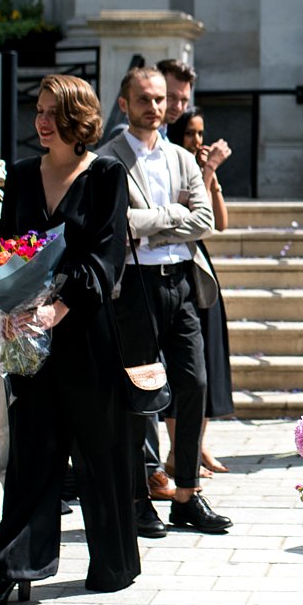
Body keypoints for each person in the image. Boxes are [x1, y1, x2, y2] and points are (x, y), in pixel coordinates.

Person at [0, 75, 141, 605]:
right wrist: (6, 303)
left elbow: (106, 258)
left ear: (77, 119)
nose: (40, 121)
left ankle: (114, 563)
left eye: (51, 112)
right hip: (29, 339)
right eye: (38, 111)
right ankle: (12, 571)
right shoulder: (21, 176)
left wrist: (58, 307)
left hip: (87, 334)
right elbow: (1, 253)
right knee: (31, 452)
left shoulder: (107, 175)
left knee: (101, 450)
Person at [97, 67, 229, 536]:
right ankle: (138, 498)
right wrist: (171, 215)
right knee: (144, 391)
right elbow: (118, 224)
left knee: (194, 383)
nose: (154, 107)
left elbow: (204, 220)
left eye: (158, 100)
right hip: (135, 288)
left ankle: (188, 495)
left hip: (182, 284)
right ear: (124, 104)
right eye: (144, 99)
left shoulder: (181, 158)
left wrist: (154, 221)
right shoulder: (108, 159)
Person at [170, 103, 236, 472]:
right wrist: (207, 171)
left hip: (201, 269)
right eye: (191, 133)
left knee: (207, 359)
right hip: (180, 263)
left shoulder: (200, 168)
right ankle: (179, 451)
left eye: (201, 132)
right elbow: (199, 221)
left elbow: (220, 220)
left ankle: (198, 445)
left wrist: (210, 174)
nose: (199, 140)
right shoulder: (177, 167)